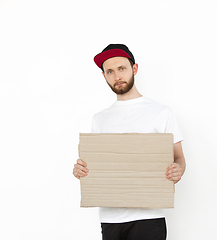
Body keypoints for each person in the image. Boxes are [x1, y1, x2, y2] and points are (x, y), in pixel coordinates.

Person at [72, 44, 186, 240]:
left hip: (149, 217)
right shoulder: (99, 119)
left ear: (134, 69)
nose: (117, 76)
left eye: (122, 68)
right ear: (104, 76)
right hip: (110, 219)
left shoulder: (161, 113)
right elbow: (97, 164)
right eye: (110, 71)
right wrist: (81, 170)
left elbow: (179, 158)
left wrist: (178, 169)